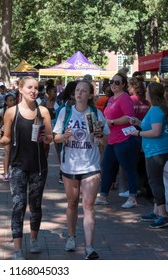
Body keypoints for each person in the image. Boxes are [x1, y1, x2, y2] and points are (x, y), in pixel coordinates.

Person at [0, 76, 53, 260]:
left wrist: (47, 138)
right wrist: (0, 143)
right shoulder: (11, 112)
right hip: (17, 166)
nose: (33, 91)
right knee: (18, 205)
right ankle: (17, 249)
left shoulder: (44, 111)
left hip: (39, 166)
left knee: (36, 205)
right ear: (21, 90)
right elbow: (7, 137)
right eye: (30, 87)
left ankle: (34, 239)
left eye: (36, 88)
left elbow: (49, 137)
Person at [54, 80, 110, 260]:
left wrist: (100, 136)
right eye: (77, 90)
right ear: (73, 93)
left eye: (84, 91)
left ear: (90, 95)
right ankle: (71, 237)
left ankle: (89, 247)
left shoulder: (96, 114)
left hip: (91, 165)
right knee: (72, 204)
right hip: (70, 165)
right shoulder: (65, 112)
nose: (79, 93)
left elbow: (104, 143)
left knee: (88, 206)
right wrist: (65, 136)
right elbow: (56, 138)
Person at [130, 83, 168, 229]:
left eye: (147, 91)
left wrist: (138, 133)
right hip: (156, 150)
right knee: (155, 180)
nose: (145, 93)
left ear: (152, 94)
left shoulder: (155, 110)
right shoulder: (155, 109)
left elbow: (155, 132)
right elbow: (151, 127)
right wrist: (139, 123)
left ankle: (163, 215)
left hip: (157, 151)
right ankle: (156, 211)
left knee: (155, 182)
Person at [94, 73, 140, 208]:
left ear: (124, 85)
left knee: (128, 168)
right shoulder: (111, 99)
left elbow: (129, 117)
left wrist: (112, 122)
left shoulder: (124, 98)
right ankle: (103, 195)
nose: (113, 84)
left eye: (117, 82)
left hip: (125, 139)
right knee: (106, 166)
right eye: (112, 81)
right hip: (112, 139)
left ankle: (132, 197)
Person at [0, 93, 17, 181]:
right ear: (6, 102)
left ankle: (14, 170)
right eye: (10, 100)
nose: (13, 102)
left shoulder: (19, 110)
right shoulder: (4, 110)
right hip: (6, 133)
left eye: (14, 100)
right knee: (7, 152)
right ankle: (6, 173)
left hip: (17, 133)